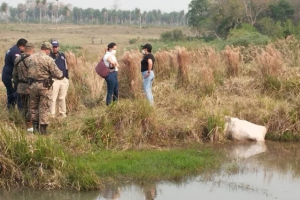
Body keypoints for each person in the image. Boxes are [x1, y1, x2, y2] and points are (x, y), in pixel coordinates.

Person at [27, 42, 63, 134]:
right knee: (44, 107)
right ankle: (43, 130)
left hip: (33, 85)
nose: (49, 52)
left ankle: (35, 128)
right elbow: (57, 73)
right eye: (49, 51)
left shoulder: (31, 58)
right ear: (47, 49)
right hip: (44, 86)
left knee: (33, 107)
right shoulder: (48, 59)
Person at [12, 42, 35, 132]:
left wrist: (16, 82)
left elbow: (14, 74)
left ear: (25, 48)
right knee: (31, 106)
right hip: (30, 86)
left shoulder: (18, 58)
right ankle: (29, 126)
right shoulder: (32, 59)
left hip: (21, 86)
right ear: (32, 49)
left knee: (24, 105)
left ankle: (24, 123)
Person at [2, 38, 27, 110]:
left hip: (6, 75)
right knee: (16, 95)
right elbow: (18, 64)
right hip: (10, 76)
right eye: (25, 47)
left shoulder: (12, 49)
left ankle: (10, 111)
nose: (25, 50)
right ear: (21, 46)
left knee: (10, 94)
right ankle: (20, 113)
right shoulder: (15, 52)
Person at [49, 40, 69, 118]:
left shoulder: (62, 55)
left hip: (63, 79)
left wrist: (67, 78)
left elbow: (66, 66)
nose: (55, 48)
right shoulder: (49, 57)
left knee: (62, 97)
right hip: (54, 80)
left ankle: (62, 113)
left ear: (58, 47)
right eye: (53, 47)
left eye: (56, 47)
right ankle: (52, 114)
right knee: (53, 98)